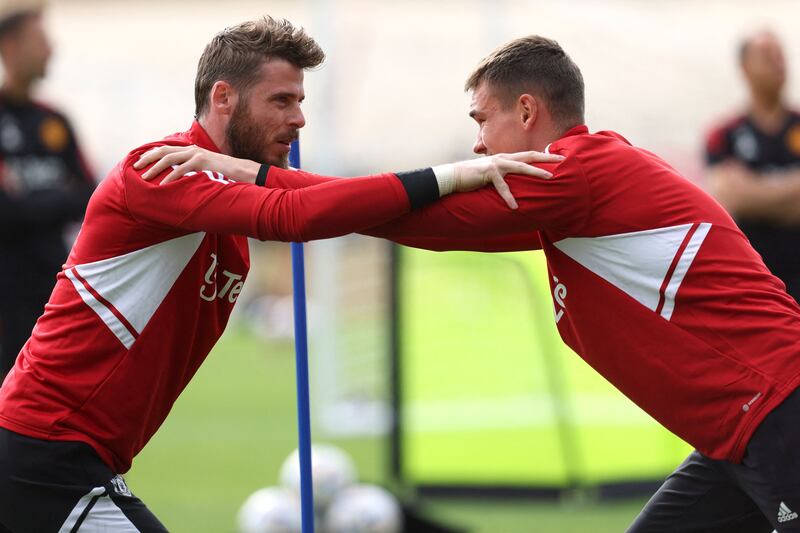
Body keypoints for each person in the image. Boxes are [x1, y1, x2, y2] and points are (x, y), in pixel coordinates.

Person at [149, 35, 800, 532]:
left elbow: (430, 219)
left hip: (779, 410)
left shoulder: (575, 172)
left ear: (527, 110)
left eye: (481, 120)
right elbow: (421, 218)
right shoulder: (572, 195)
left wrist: (249, 174)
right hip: (734, 434)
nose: (480, 146)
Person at [0, 17, 558, 533]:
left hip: (77, 455)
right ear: (223, 97)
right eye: (282, 100)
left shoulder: (231, 190)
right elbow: (297, 215)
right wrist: (455, 174)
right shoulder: (160, 169)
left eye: (301, 100)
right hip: (45, 447)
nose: (299, 118)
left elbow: (324, 202)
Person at [0, 0, 95, 381]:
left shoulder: (56, 122)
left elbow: (90, 196)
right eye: (40, 40)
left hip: (52, 289)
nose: (50, 50)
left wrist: (28, 201)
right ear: (10, 45)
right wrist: (56, 200)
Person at [705, 30, 800, 302]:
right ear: (745, 68)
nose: (778, 62)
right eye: (767, 55)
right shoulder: (724, 134)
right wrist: (792, 187)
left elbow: (744, 195)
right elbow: (729, 198)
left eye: (781, 55)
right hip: (755, 283)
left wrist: (754, 190)